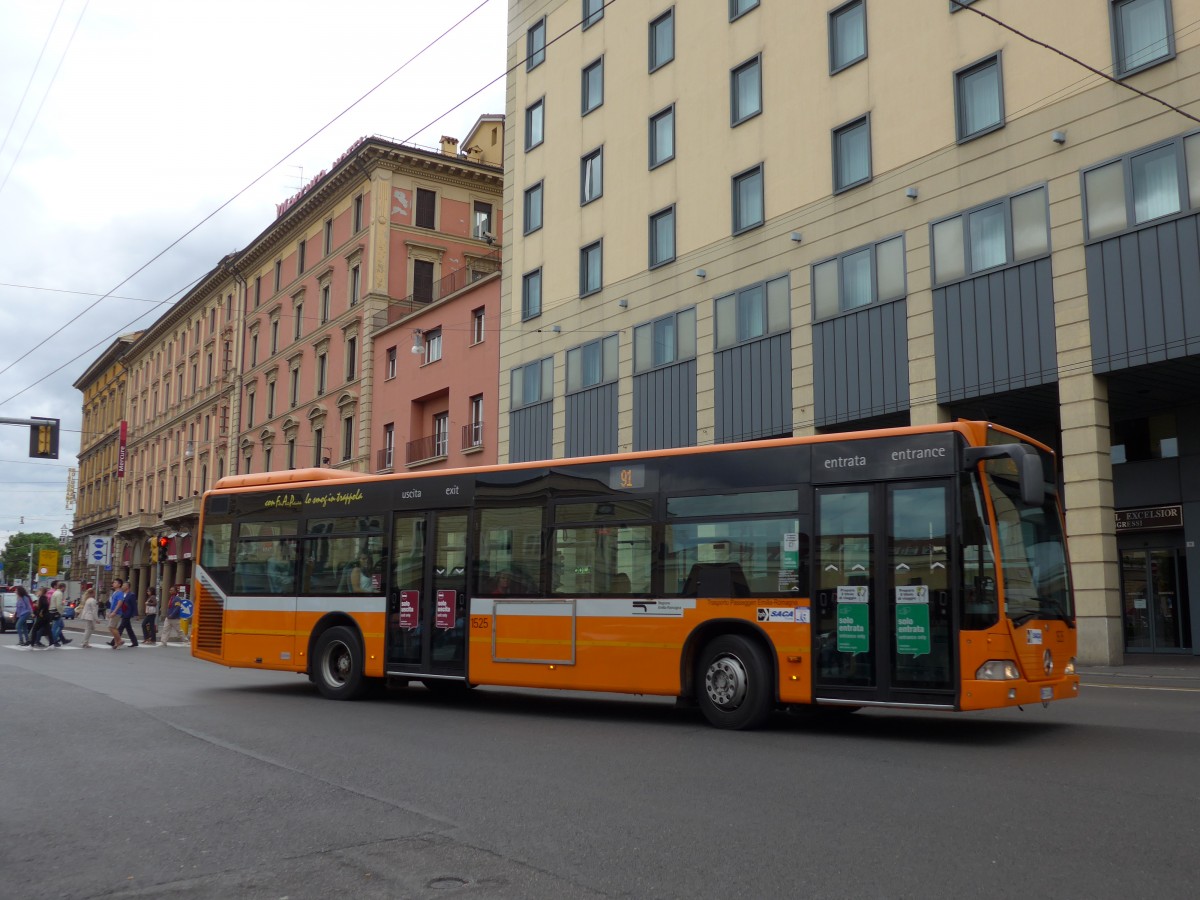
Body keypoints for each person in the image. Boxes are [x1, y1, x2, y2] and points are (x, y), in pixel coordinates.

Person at [107, 578, 129, 649]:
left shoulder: (119, 593)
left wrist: (114, 612)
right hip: (113, 611)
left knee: (111, 627)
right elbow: (113, 603)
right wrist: (110, 612)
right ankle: (117, 643)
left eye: (115, 582)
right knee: (113, 627)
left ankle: (119, 640)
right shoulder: (115, 592)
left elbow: (120, 603)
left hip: (117, 612)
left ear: (119, 585)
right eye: (113, 582)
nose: (113, 583)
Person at [49, 580, 72, 646]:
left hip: (53, 610)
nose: (65, 589)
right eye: (65, 588)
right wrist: (61, 612)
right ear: (62, 587)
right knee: (55, 627)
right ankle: (54, 640)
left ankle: (55, 640)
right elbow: (58, 604)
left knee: (59, 626)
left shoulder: (56, 592)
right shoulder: (59, 594)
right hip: (56, 612)